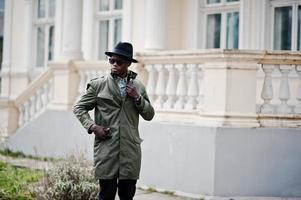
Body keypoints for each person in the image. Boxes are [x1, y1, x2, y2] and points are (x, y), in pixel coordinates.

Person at [73, 42, 155, 200]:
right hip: (106, 149)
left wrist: (137, 98)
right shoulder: (98, 85)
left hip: (130, 151)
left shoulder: (138, 87)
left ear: (129, 64)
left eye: (119, 62)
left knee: (127, 196)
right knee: (106, 195)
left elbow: (149, 115)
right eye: (112, 61)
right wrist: (92, 126)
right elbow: (79, 108)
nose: (115, 64)